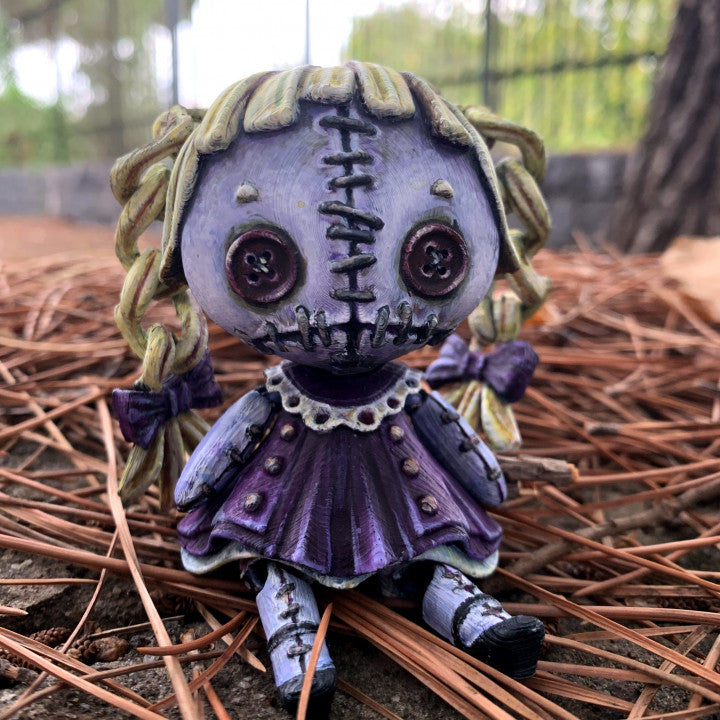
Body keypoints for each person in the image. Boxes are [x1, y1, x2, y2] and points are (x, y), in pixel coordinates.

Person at [112, 62, 551, 715]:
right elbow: (220, 453)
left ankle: (473, 620)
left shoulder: (400, 392)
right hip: (290, 492)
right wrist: (196, 485)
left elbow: (456, 446)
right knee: (277, 565)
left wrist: (484, 475)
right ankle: (297, 648)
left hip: (397, 490)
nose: (352, 305)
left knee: (430, 554)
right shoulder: (279, 396)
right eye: (261, 262)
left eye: (433, 258)